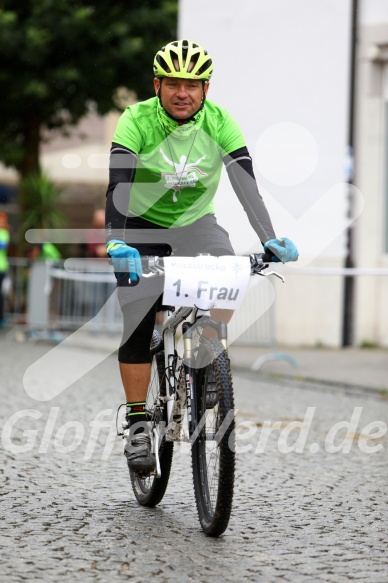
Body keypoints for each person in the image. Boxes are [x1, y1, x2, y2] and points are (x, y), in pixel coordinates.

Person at [105, 39, 299, 474]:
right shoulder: (135, 120)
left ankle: (208, 343)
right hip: (140, 227)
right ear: (157, 85)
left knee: (231, 270)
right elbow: (118, 186)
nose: (182, 92)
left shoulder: (220, 122)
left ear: (206, 89)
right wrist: (116, 241)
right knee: (138, 320)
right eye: (173, 82)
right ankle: (138, 425)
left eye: (193, 85)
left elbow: (246, 187)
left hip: (196, 225)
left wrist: (269, 238)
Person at [0, 212, 10, 329]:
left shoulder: (5, 233)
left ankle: (1, 318)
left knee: (1, 296)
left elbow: (2, 245)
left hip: (1, 268)